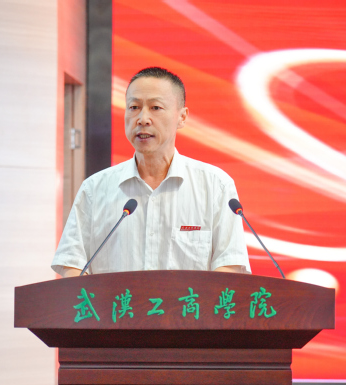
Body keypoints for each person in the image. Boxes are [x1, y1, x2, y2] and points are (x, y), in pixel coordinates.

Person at [52, 67, 250, 277]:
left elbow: (230, 264)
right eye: (134, 107)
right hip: (114, 301)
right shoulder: (94, 188)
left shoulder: (215, 185)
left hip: (191, 301)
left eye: (155, 107)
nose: (143, 119)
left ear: (182, 117)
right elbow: (72, 263)